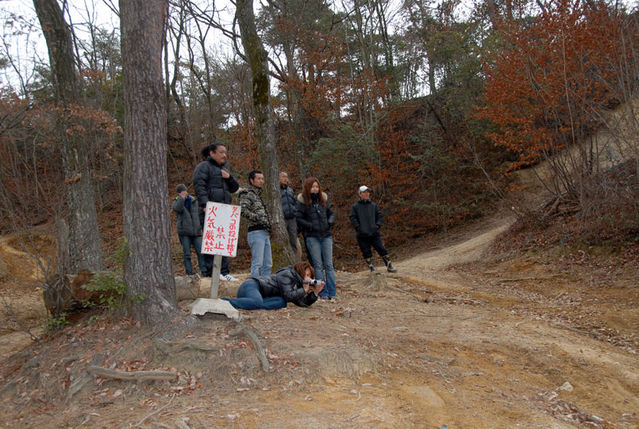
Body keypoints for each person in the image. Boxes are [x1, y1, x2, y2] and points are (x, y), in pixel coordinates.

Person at [192, 143, 240, 281]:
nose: (224, 155)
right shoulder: (203, 167)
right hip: (210, 210)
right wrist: (205, 205)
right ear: (212, 153)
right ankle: (210, 272)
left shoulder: (225, 170)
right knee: (211, 241)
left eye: (225, 152)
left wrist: (229, 178)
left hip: (225, 210)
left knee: (223, 241)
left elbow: (235, 188)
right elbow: (199, 186)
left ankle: (224, 272)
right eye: (221, 152)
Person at [296, 177, 337, 300]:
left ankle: (332, 292)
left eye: (317, 186)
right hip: (312, 237)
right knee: (318, 266)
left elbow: (331, 213)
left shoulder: (323, 199)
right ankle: (322, 292)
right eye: (313, 186)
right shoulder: (303, 201)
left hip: (326, 236)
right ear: (308, 188)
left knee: (329, 265)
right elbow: (299, 217)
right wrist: (310, 226)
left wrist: (330, 222)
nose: (315, 189)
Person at [223, 261, 325, 310]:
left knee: (281, 302)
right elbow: (288, 295)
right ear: (300, 271)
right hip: (252, 286)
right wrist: (303, 290)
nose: (308, 278)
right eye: (306, 275)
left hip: (259, 296)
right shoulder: (288, 274)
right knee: (257, 301)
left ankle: (253, 305)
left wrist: (315, 292)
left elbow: (302, 303)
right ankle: (224, 302)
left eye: (310, 276)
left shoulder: (297, 285)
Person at [349, 185, 397, 273]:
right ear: (360, 194)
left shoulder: (373, 205)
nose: (367, 194)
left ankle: (389, 265)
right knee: (366, 252)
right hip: (362, 234)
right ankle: (371, 268)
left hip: (374, 232)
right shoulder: (355, 207)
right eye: (364, 192)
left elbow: (379, 215)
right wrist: (358, 228)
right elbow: (352, 218)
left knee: (382, 249)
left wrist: (378, 225)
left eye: (368, 192)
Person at [239, 170, 273, 277]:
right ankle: (254, 287)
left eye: (262, 179)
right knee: (257, 263)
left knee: (268, 264)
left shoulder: (259, 196)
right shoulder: (248, 194)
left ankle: (266, 287)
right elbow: (242, 211)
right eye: (258, 178)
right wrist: (257, 218)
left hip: (265, 232)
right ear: (251, 180)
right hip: (255, 232)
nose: (261, 181)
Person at [172, 184, 206, 277]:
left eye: (185, 191)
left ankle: (204, 271)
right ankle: (189, 272)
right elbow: (177, 208)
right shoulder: (177, 202)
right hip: (184, 232)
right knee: (187, 254)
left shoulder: (194, 200)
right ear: (179, 193)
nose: (184, 193)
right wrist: (181, 199)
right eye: (182, 192)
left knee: (200, 252)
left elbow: (200, 214)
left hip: (196, 231)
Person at [279, 171, 301, 260]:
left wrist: (295, 212)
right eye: (283, 176)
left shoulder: (290, 190)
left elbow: (295, 203)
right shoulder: (275, 190)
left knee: (294, 241)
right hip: (282, 219)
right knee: (282, 241)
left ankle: (295, 262)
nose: (285, 179)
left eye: (286, 177)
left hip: (292, 219)